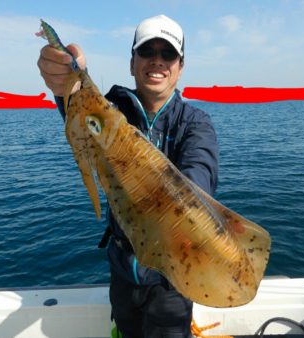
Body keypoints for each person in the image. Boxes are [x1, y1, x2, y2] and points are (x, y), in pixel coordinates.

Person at [38, 14, 219, 338]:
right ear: (132, 62)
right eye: (148, 52)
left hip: (172, 278)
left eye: (168, 54)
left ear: (180, 66)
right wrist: (69, 77)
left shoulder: (195, 123)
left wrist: (176, 198)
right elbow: (82, 108)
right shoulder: (110, 110)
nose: (157, 61)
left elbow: (201, 173)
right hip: (122, 271)